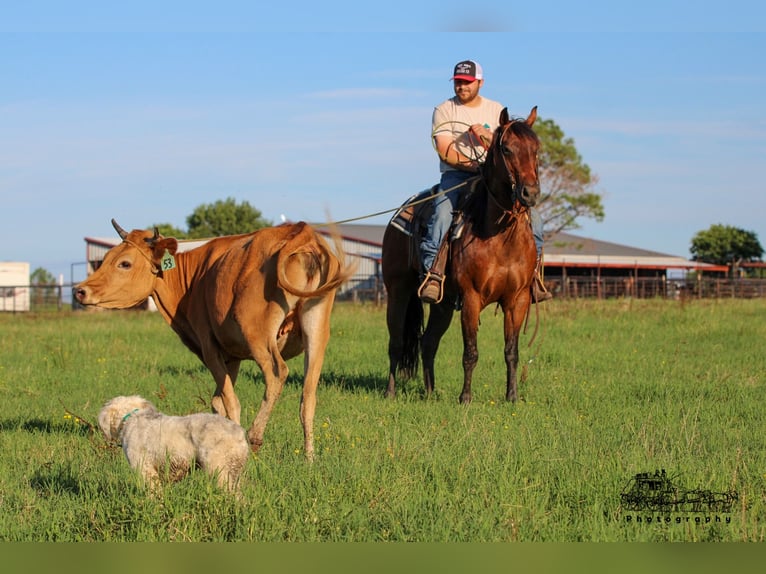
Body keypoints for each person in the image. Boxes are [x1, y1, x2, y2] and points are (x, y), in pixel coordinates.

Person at [417, 59, 552, 304]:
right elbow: (444, 149)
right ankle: (433, 275)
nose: (462, 87)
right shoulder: (444, 110)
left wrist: (486, 137)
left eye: (468, 82)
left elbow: (506, 146)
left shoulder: (495, 109)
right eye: (458, 82)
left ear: (480, 82)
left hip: (491, 177)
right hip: (456, 175)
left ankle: (533, 277)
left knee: (537, 221)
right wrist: (470, 165)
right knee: (443, 212)